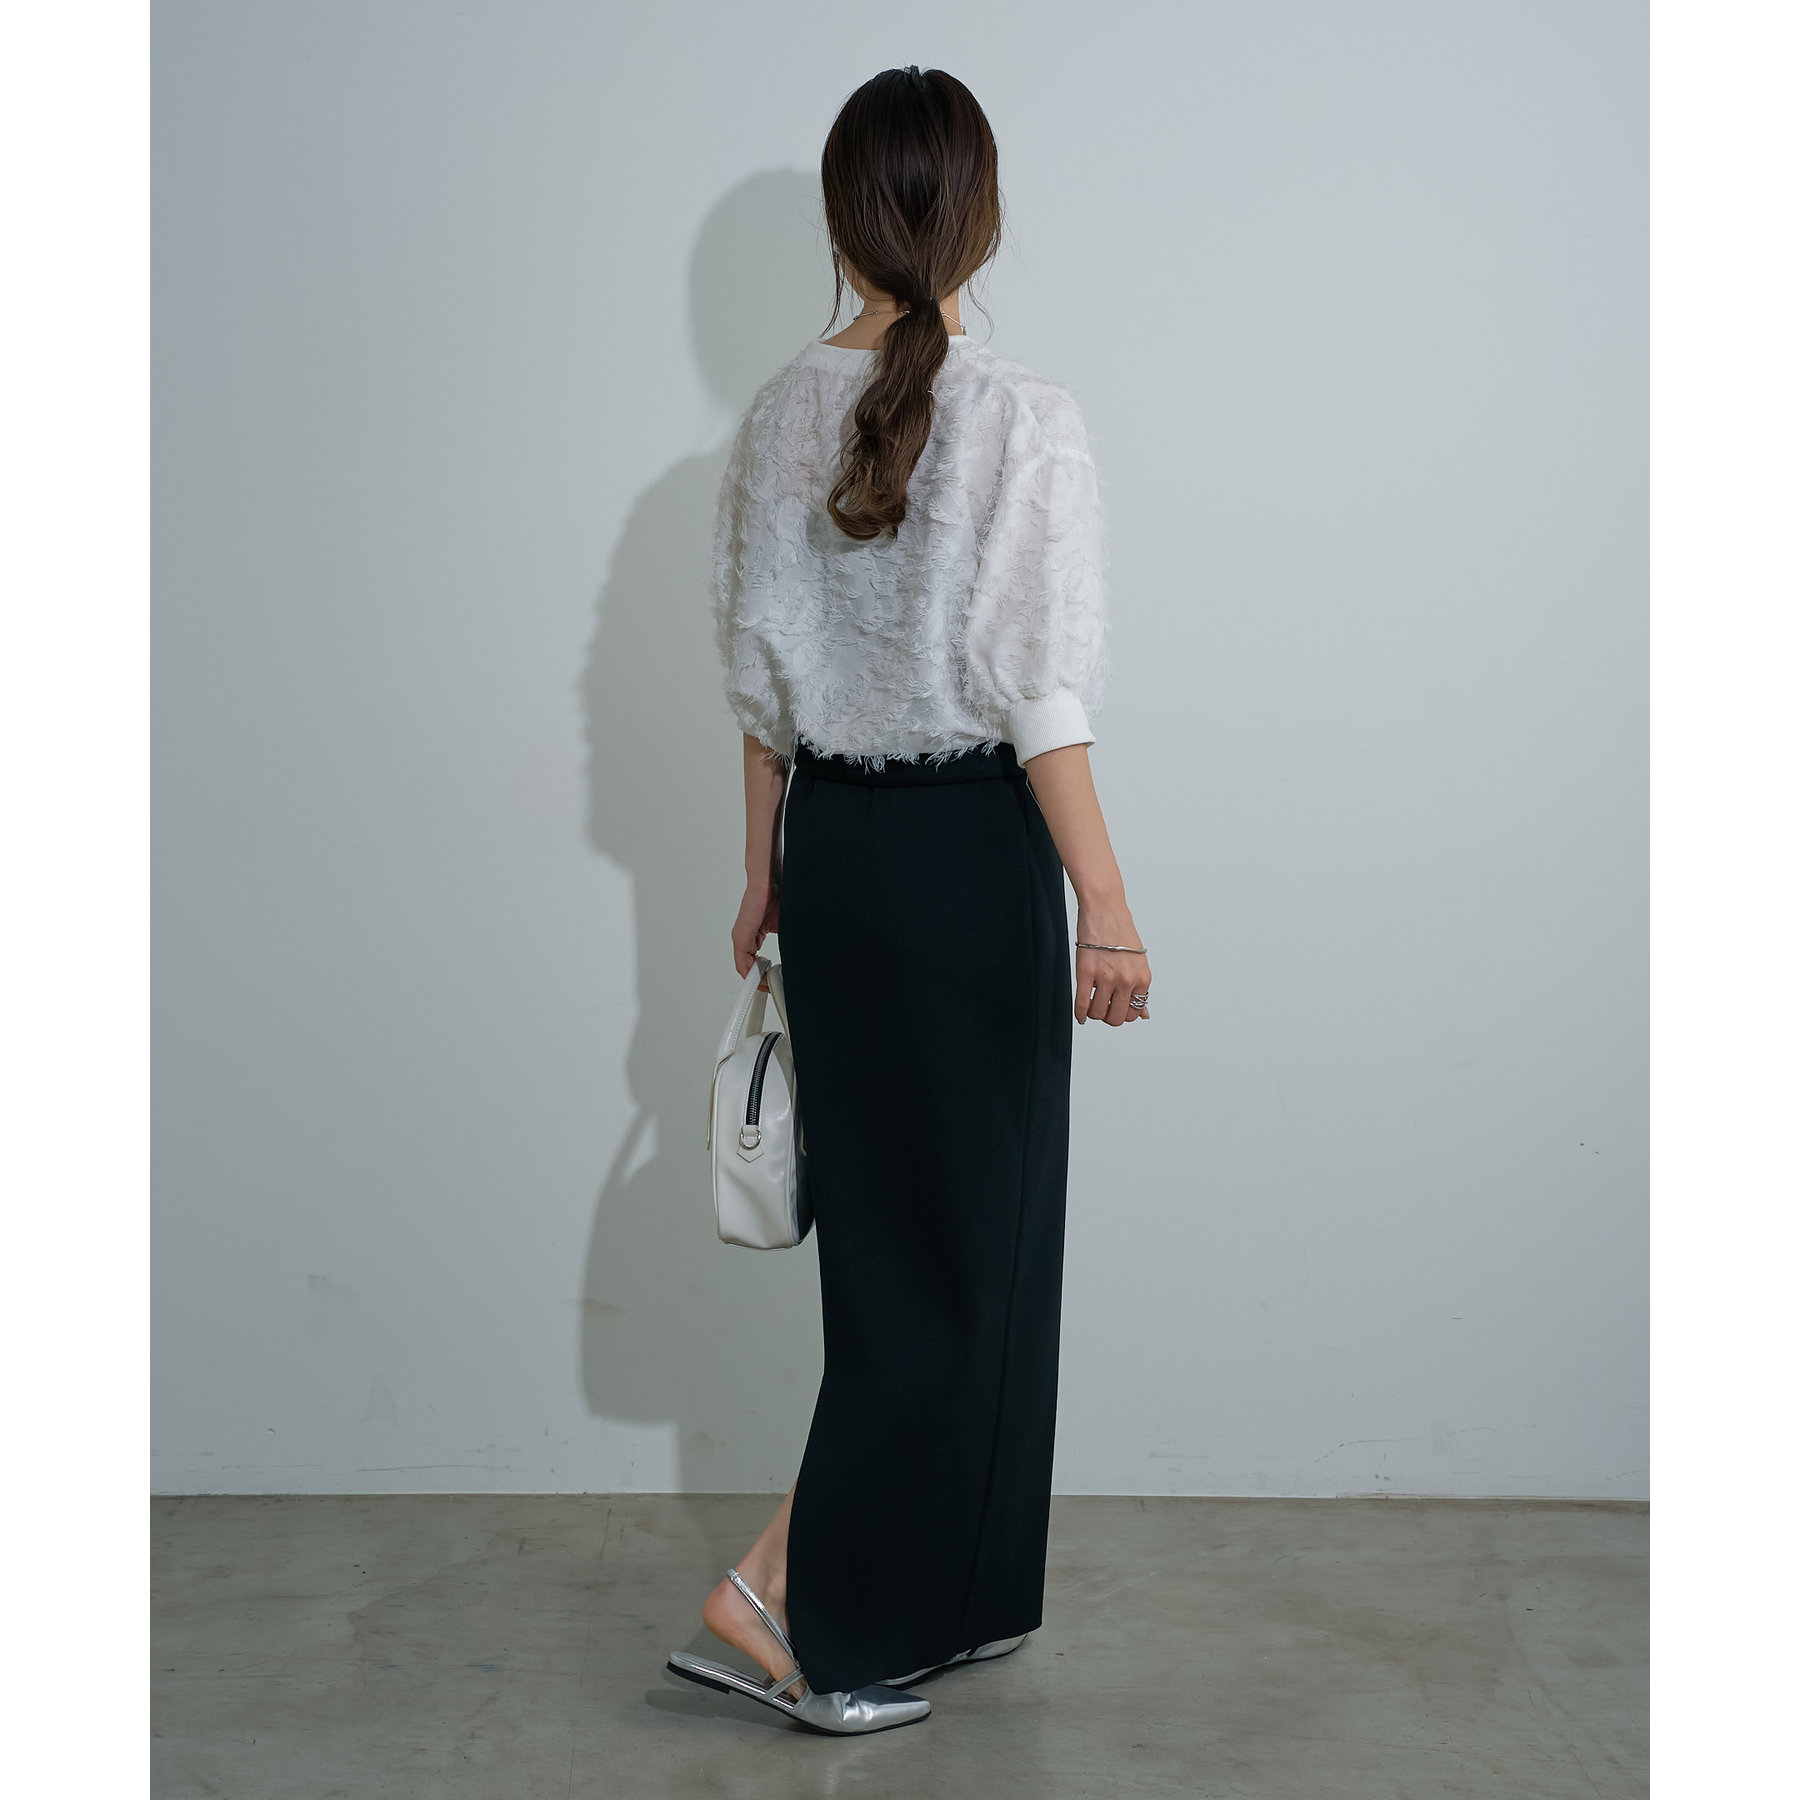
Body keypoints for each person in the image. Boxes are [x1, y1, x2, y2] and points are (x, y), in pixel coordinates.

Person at [666, 65, 1151, 1736]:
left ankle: (947, 1593)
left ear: (841, 215)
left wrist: (762, 876)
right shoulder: (1025, 416)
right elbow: (1039, 691)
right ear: (981, 217)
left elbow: (757, 690)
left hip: (835, 858)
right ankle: (810, 1615)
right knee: (970, 1257)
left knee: (900, 1254)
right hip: (963, 860)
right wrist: (1105, 900)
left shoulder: (772, 415)